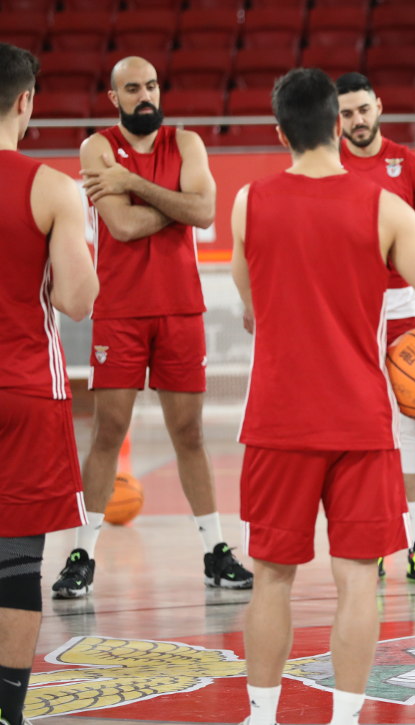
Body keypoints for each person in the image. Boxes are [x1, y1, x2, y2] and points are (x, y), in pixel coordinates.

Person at [231, 68, 415, 725]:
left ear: (280, 133)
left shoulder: (249, 202)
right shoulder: (385, 207)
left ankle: (262, 716)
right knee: (359, 579)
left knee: (272, 577)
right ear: (336, 124)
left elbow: (249, 308)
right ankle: (348, 716)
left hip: (276, 418)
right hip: (360, 416)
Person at [51, 56, 252, 599]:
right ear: (114, 98)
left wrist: (135, 184)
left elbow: (208, 211)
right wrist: (182, 206)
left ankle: (215, 550)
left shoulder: (186, 144)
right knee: (107, 434)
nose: (146, 96)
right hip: (119, 309)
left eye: (153, 86)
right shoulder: (96, 148)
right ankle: (81, 554)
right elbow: (122, 223)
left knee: (189, 434)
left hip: (180, 308)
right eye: (133, 88)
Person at [0, 42, 99, 725]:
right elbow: (77, 301)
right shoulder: (52, 188)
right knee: (14, 565)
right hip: (24, 387)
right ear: (26, 101)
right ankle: (7, 710)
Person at [335, 72, 415, 587]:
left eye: (364, 109)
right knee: (360, 429)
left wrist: (396, 249)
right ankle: (377, 540)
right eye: (346, 113)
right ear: (334, 118)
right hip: (345, 310)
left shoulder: (408, 164)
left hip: (401, 302)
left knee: (412, 423)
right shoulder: (327, 165)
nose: (357, 120)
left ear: (379, 106)